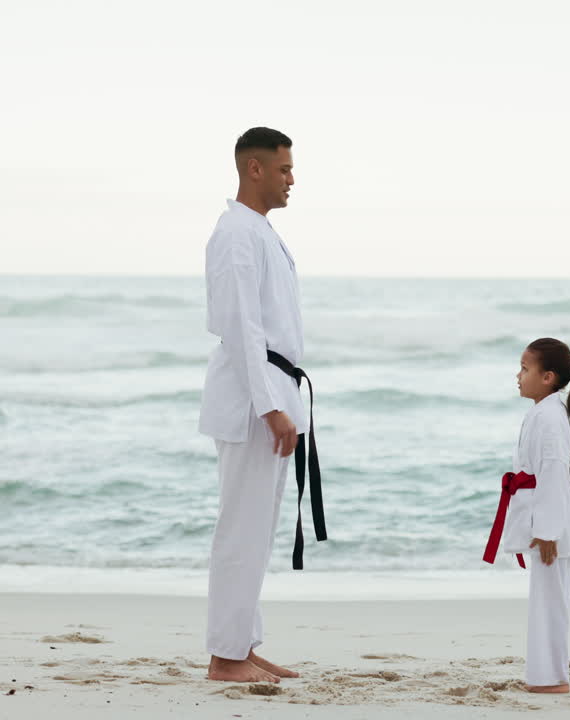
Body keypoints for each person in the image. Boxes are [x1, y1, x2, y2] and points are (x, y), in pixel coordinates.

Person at [197, 126, 310, 684]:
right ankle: (225, 656)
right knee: (241, 529)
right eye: (285, 169)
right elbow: (241, 326)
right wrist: (270, 407)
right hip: (251, 398)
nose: (293, 179)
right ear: (255, 168)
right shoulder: (235, 233)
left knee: (257, 529)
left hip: (271, 388)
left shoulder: (259, 232)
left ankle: (240, 643)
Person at [483, 337, 570, 693]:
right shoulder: (545, 412)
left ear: (547, 377)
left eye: (524, 369)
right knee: (547, 600)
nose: (518, 376)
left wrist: (547, 530)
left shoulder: (550, 417)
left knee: (550, 603)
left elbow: (551, 473)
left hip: (551, 524)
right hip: (548, 519)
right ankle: (548, 675)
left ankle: (550, 679)